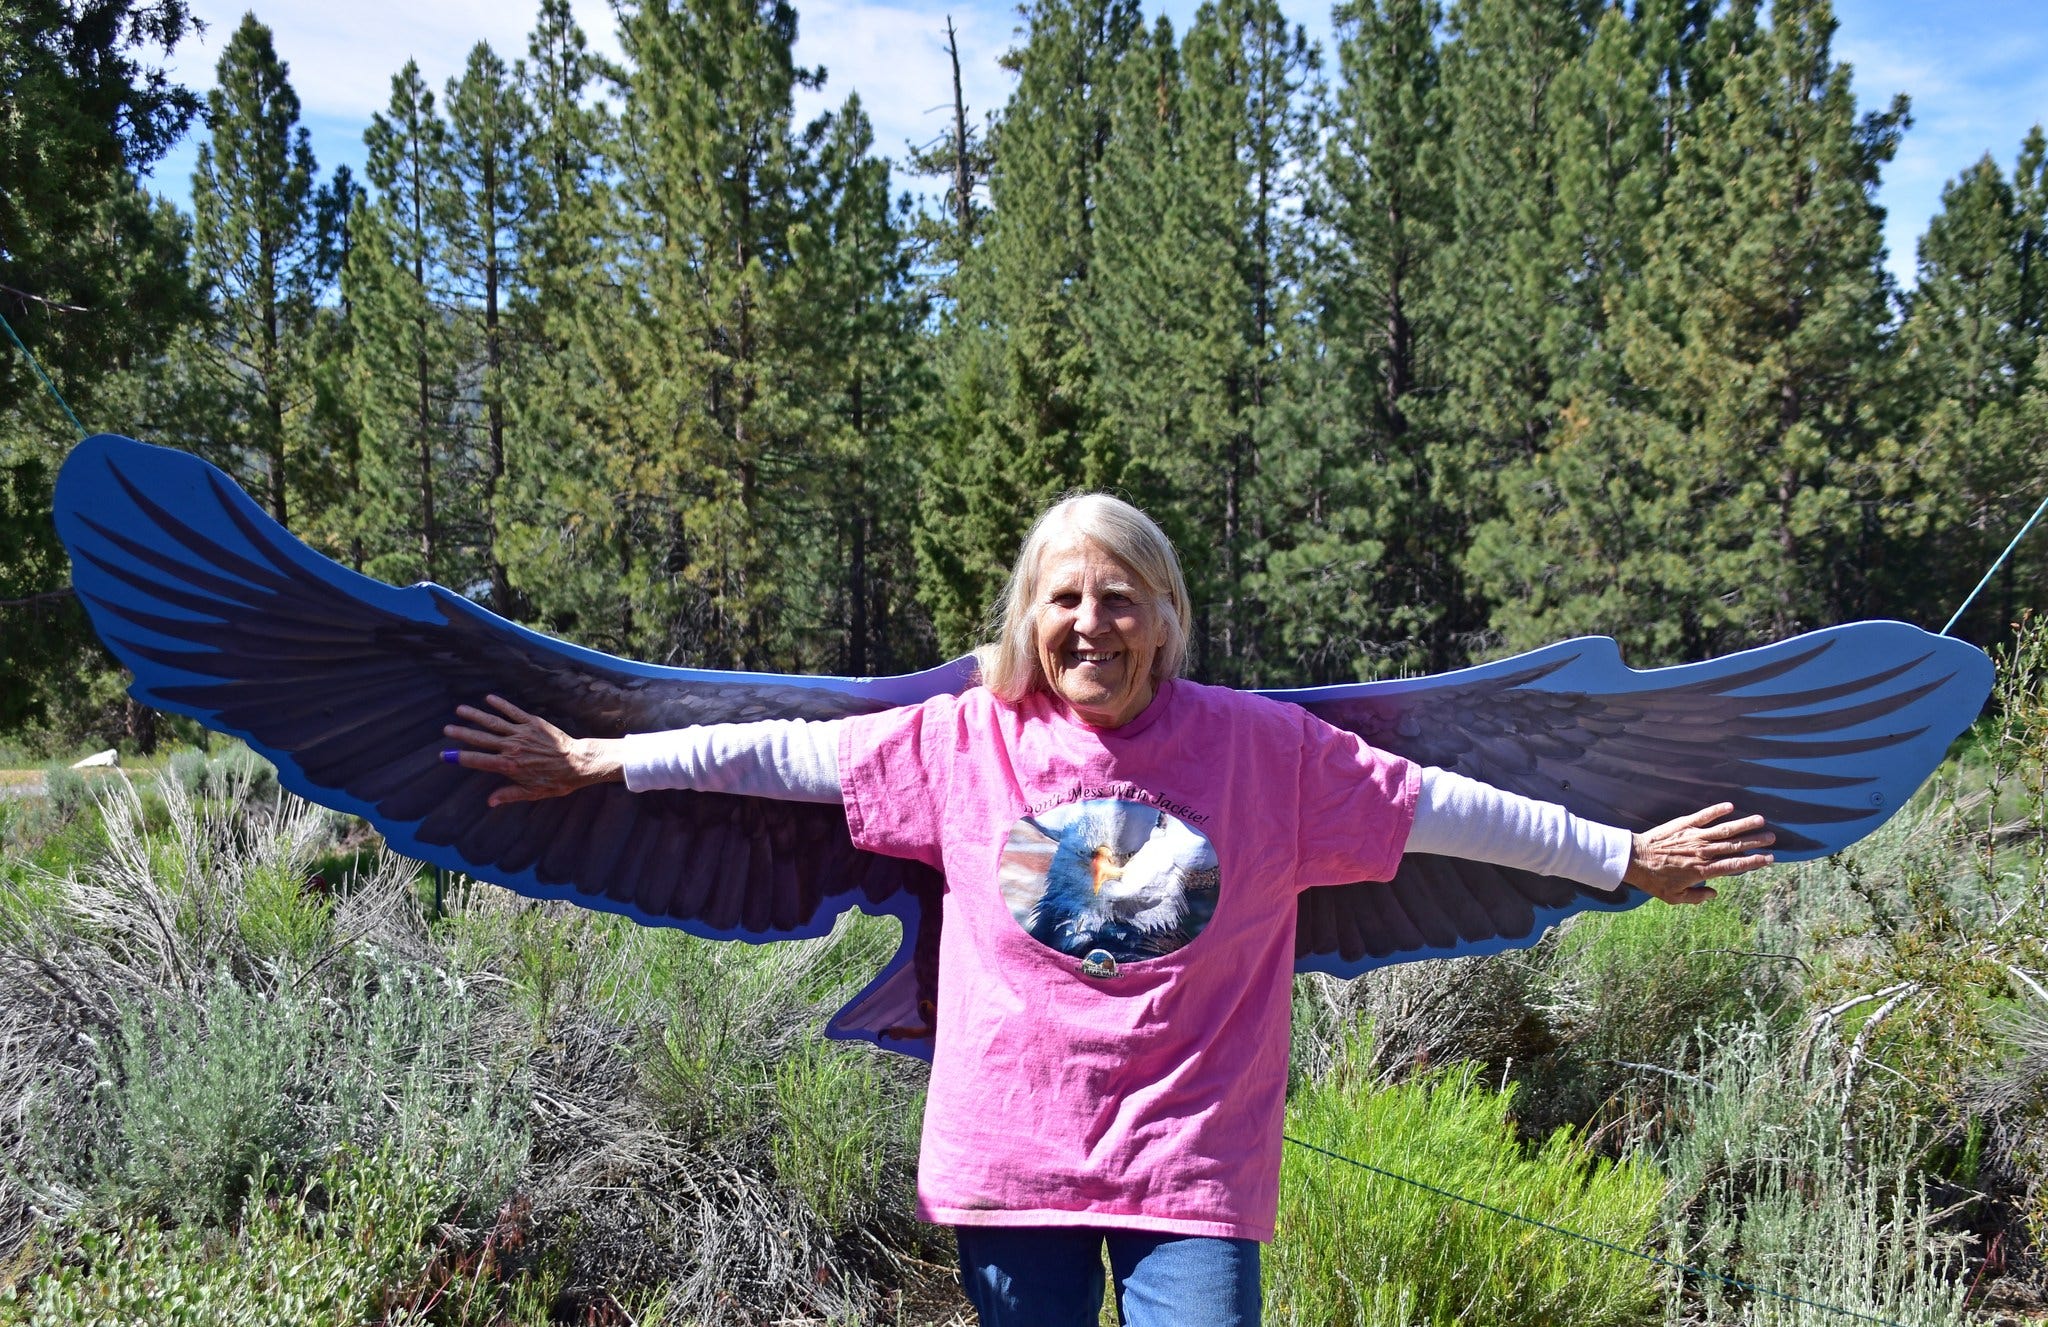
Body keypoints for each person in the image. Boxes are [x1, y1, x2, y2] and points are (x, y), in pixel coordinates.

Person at [443, 493, 1774, 1327]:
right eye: (1066, 597)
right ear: (1031, 618)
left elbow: (1444, 806)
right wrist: (599, 759)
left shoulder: (1267, 753)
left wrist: (1618, 856)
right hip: (1011, 1167)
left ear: (1165, 617)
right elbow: (782, 752)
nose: (1094, 621)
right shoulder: (961, 741)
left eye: (1120, 595)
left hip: (1190, 1171)